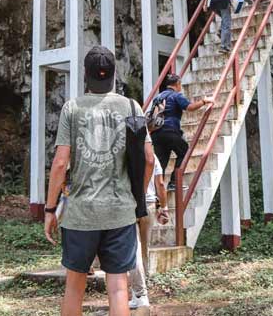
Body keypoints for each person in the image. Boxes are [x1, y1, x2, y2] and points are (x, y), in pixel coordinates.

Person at [44, 46, 154, 316]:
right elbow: (149, 159)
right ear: (114, 75)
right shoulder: (131, 106)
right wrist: (135, 194)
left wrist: (49, 209)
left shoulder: (73, 108)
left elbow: (60, 163)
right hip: (119, 212)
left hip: (81, 213)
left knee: (74, 286)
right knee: (118, 287)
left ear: (86, 75)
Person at [150, 73, 212, 191]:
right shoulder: (176, 96)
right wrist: (204, 101)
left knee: (161, 161)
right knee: (184, 151)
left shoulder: (158, 97)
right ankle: (174, 182)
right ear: (177, 84)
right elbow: (190, 107)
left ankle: (157, 191)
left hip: (156, 133)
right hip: (170, 130)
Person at [127, 156, 168, 310]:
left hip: (131, 205)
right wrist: (163, 207)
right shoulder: (153, 157)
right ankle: (140, 292)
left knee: (134, 250)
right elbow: (161, 184)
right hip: (150, 205)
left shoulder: (129, 153)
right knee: (144, 250)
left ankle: (139, 294)